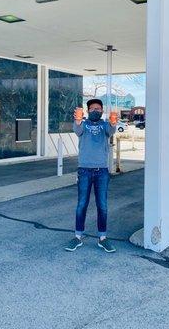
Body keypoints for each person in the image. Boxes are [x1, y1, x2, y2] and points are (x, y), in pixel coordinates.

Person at [64, 98, 117, 253]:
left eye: (99, 109)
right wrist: (78, 119)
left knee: (103, 205)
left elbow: (112, 130)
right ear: (88, 111)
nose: (96, 111)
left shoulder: (104, 125)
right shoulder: (84, 124)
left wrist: (113, 122)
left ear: (102, 111)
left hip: (102, 171)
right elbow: (77, 129)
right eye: (93, 109)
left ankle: (103, 239)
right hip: (84, 170)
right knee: (82, 205)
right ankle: (77, 237)